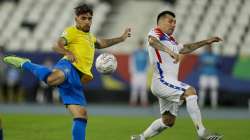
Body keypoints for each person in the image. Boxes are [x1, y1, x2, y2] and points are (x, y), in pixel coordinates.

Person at [3, 3, 131, 140]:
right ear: (76, 19)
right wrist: (67, 52)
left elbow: (102, 43)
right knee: (52, 79)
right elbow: (56, 45)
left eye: (89, 18)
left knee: (81, 115)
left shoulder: (90, 37)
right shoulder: (71, 32)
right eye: (83, 18)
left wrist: (121, 38)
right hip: (69, 66)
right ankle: (25, 63)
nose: (87, 21)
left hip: (78, 78)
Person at [131, 11, 223, 140]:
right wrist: (169, 51)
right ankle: (201, 132)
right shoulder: (156, 32)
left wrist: (206, 42)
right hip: (161, 80)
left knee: (168, 121)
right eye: (170, 21)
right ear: (160, 22)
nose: (174, 24)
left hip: (168, 82)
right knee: (191, 92)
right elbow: (152, 42)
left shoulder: (171, 40)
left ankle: (140, 138)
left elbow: (185, 48)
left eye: (175, 22)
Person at [129, 39, 149, 107]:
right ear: (138, 44)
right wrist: (132, 71)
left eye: (142, 44)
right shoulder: (135, 53)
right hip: (136, 73)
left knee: (143, 89)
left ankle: (144, 102)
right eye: (140, 44)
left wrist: (146, 71)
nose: (141, 45)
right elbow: (131, 62)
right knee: (134, 89)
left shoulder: (146, 53)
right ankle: (133, 102)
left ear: (143, 44)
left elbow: (148, 63)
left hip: (143, 73)